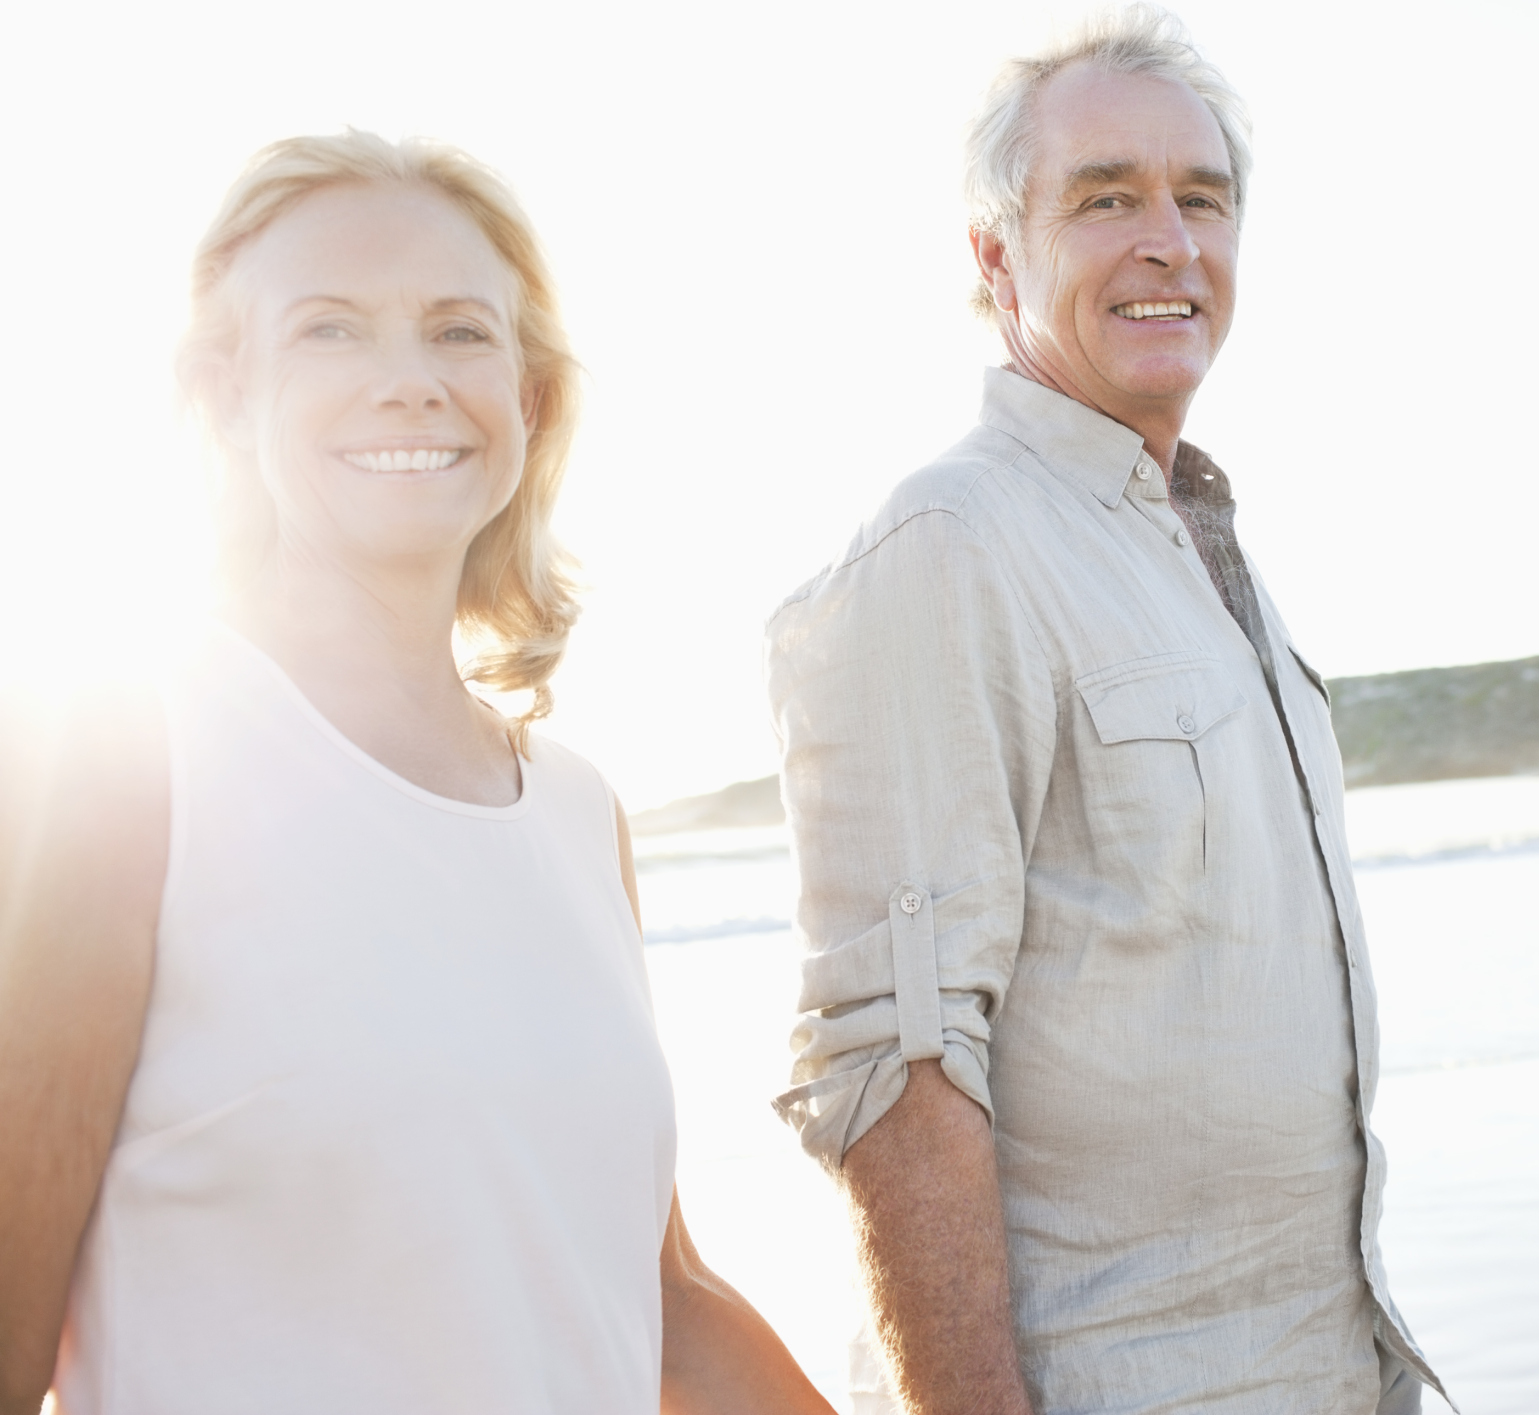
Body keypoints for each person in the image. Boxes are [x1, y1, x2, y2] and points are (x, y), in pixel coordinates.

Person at [0, 132, 833, 1415]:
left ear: (532, 397)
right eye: (331, 331)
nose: (410, 383)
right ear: (225, 394)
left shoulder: (575, 810)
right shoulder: (116, 755)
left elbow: (658, 1309)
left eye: (459, 332)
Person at [765, 7, 1451, 1414]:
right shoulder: (947, 545)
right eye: (1104, 198)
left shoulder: (1199, 546)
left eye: (1201, 198)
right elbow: (895, 1067)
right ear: (993, 256)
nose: (1167, 240)